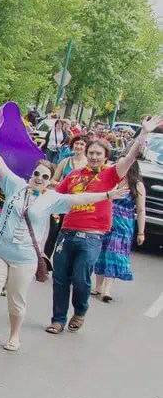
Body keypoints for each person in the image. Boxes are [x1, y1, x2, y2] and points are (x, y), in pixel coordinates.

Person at [0, 132, 122, 351]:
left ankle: (14, 336)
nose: (39, 178)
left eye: (45, 177)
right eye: (37, 174)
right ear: (31, 174)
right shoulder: (15, 185)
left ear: (49, 181)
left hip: (24, 258)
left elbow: (79, 199)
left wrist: (107, 196)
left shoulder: (51, 199)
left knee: (16, 300)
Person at [47, 117, 156, 334]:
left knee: (80, 278)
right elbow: (55, 200)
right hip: (67, 234)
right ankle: (58, 319)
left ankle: (80, 311)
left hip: (92, 237)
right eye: (91, 153)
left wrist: (143, 134)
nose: (94, 157)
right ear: (85, 154)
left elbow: (131, 156)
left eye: (98, 153)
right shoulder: (74, 176)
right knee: (60, 278)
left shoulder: (110, 175)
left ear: (106, 157)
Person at [93, 159, 147, 301]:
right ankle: (98, 286)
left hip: (123, 225)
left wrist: (141, 232)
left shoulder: (137, 185)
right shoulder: (112, 180)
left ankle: (107, 289)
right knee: (101, 251)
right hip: (105, 220)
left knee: (115, 253)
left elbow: (141, 210)